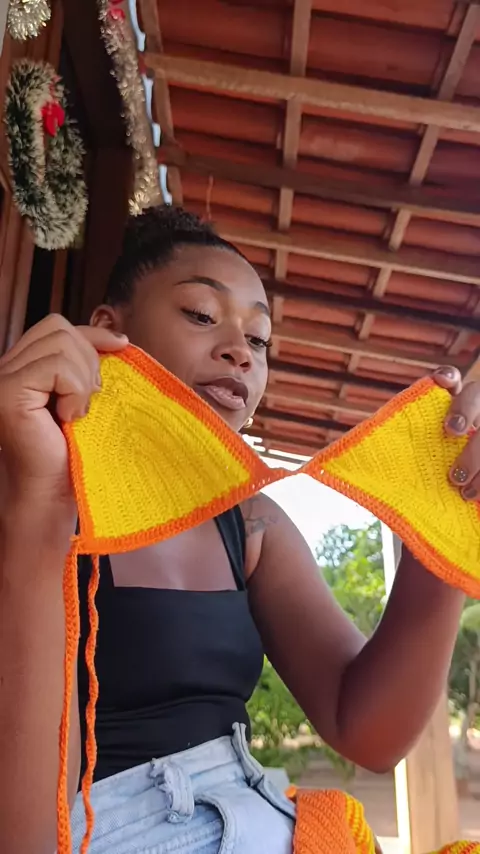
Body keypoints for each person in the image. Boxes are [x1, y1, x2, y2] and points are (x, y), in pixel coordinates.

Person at [0, 206, 479, 854]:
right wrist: (39, 504)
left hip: (255, 818)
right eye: (201, 315)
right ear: (107, 331)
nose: (239, 351)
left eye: (259, 340)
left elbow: (367, 730)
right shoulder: (26, 481)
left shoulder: (251, 522)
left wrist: (448, 516)